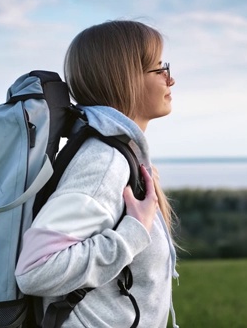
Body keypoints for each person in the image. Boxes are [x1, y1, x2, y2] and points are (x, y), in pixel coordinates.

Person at [15, 20, 179, 328]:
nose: (170, 79)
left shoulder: (119, 155)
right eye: (159, 68)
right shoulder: (104, 163)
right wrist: (133, 233)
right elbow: (35, 270)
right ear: (126, 78)